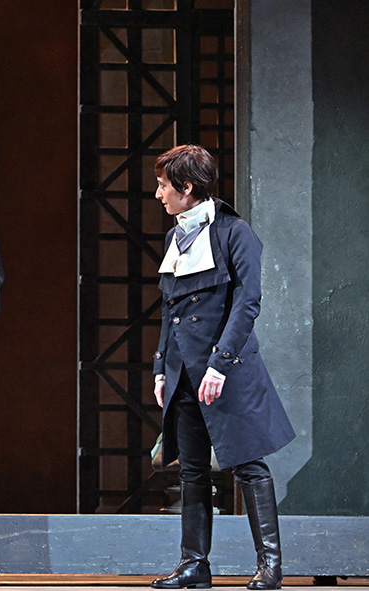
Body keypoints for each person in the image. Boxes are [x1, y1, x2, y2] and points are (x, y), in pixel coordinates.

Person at [150, 145, 295, 590]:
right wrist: (161, 367)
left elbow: (247, 303)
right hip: (184, 371)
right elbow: (170, 310)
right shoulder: (176, 238)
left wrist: (220, 365)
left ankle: (270, 566)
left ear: (186, 187)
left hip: (225, 369)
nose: (158, 194)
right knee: (192, 470)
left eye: (163, 185)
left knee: (249, 466)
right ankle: (194, 565)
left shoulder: (235, 233)